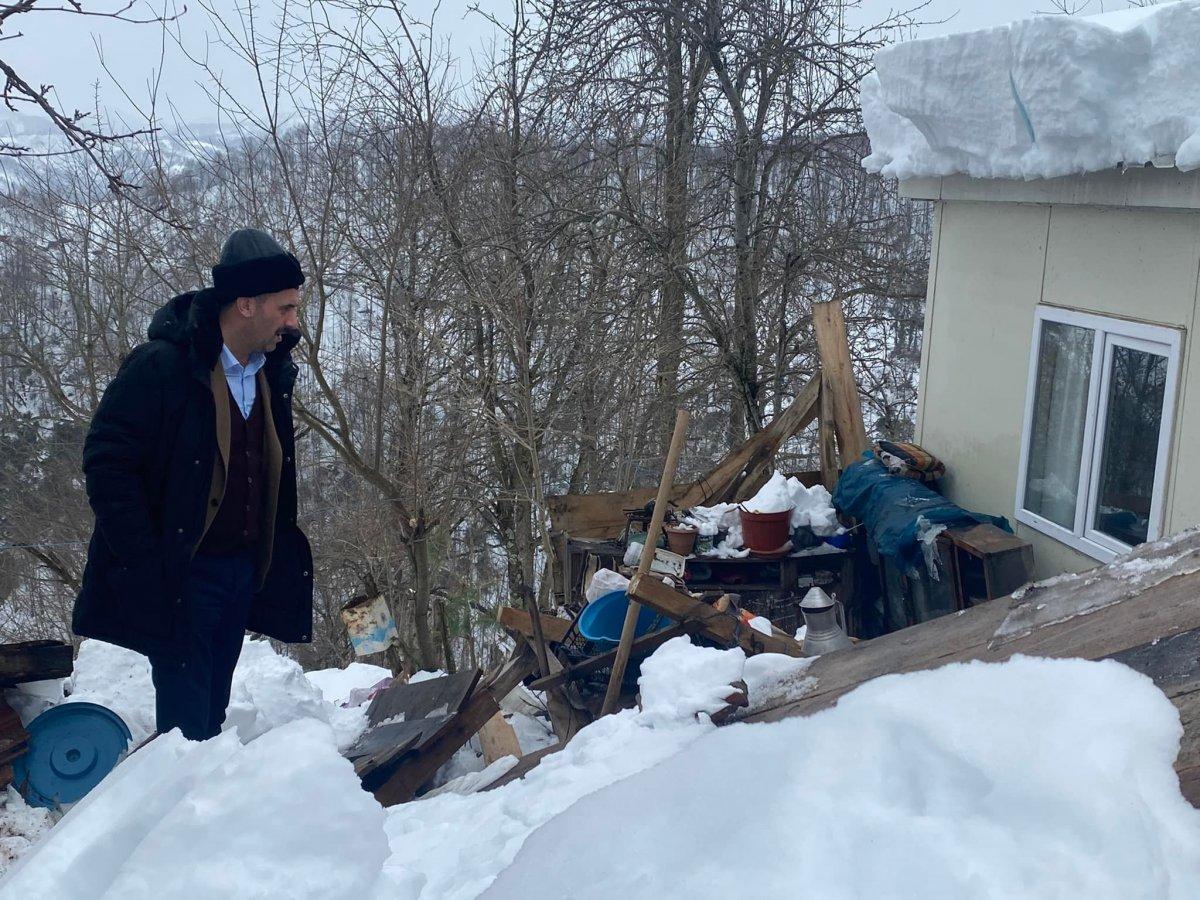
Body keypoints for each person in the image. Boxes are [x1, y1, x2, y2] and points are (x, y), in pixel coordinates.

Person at [74, 228, 314, 741]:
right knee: (186, 728)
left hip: (239, 572)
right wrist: (146, 560)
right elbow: (107, 461)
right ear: (246, 304)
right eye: (287, 308)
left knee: (214, 710)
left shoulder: (271, 370)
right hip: (182, 575)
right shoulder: (164, 366)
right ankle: (181, 814)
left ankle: (205, 808)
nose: (295, 322)